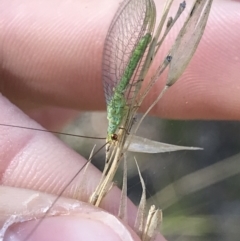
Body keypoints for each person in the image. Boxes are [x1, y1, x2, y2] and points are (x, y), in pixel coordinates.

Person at [0, 0, 240, 240]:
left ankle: (150, 34)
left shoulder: (116, 120)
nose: (113, 138)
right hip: (125, 76)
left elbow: (125, 105)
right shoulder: (115, 125)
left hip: (129, 68)